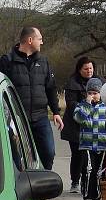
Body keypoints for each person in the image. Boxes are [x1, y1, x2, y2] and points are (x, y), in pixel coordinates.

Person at [0, 26, 63, 170]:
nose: (42, 42)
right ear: (29, 40)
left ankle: (44, 184)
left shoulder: (44, 62)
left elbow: (51, 88)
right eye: (39, 39)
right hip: (15, 119)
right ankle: (23, 186)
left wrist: (56, 112)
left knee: (48, 153)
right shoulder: (6, 61)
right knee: (17, 157)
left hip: (40, 117)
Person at [61, 57, 102, 194]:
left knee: (93, 156)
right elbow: (71, 103)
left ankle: (91, 183)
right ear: (79, 70)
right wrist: (85, 105)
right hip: (75, 125)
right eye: (86, 68)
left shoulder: (98, 82)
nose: (89, 71)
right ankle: (75, 181)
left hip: (94, 124)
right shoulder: (72, 83)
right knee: (78, 154)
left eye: (91, 68)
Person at [72, 77, 106, 200]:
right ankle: (87, 197)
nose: (92, 95)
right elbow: (78, 118)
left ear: (101, 93)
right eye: (90, 93)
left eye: (95, 93)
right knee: (88, 170)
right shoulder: (81, 106)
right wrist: (87, 105)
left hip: (102, 145)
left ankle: (96, 198)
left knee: (98, 172)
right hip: (87, 144)